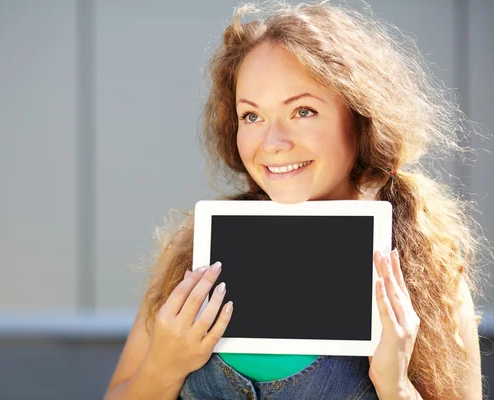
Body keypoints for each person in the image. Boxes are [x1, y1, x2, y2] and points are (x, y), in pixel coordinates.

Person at [103, 1, 488, 399]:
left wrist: (396, 386)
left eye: (303, 111)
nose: (273, 143)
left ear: (360, 117)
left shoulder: (424, 267)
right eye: (251, 116)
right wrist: (161, 368)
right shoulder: (199, 247)